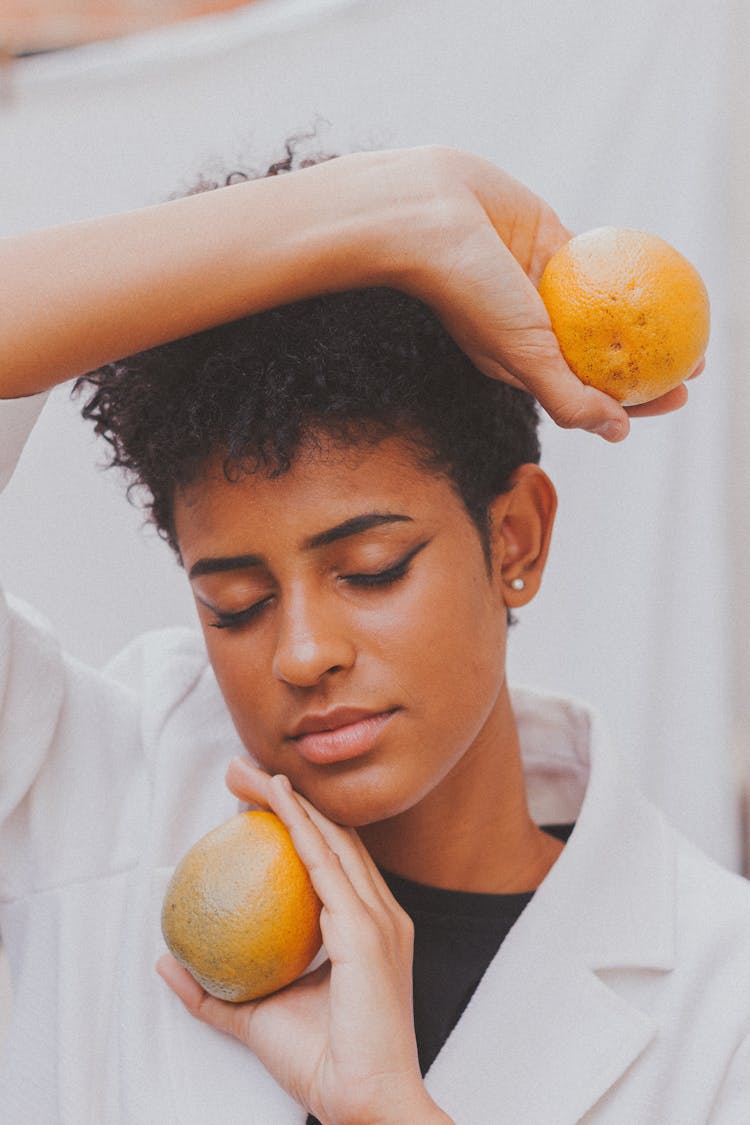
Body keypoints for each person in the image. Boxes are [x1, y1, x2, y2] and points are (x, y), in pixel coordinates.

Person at [0, 145, 742, 1125]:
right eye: (235, 603)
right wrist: (384, 212)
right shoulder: (77, 793)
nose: (303, 654)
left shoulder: (722, 1002)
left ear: (513, 538)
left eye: (371, 570)